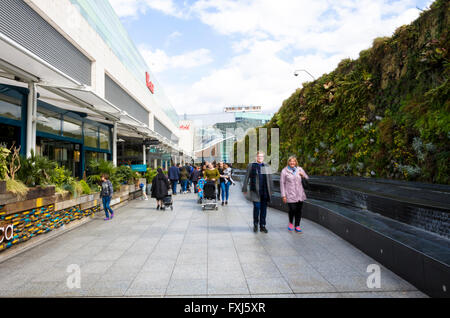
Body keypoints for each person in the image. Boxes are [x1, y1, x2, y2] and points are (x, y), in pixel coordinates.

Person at [242, 151, 274, 233]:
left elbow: (269, 179)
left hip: (265, 191)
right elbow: (246, 177)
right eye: (259, 156)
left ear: (263, 157)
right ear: (256, 157)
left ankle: (262, 225)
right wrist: (244, 188)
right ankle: (255, 224)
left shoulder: (266, 166)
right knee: (256, 207)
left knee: (264, 209)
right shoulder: (251, 165)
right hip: (255, 191)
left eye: (262, 156)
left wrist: (271, 190)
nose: (260, 158)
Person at [280, 156, 309, 233]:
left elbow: (307, 178)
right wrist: (283, 195)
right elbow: (282, 184)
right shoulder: (284, 171)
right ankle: (290, 223)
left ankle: (297, 226)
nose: (292, 163)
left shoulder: (299, 169)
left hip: (300, 194)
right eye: (290, 161)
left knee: (299, 210)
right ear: (288, 162)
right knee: (292, 209)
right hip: (290, 194)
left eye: (294, 161)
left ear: (296, 162)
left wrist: (302, 174)